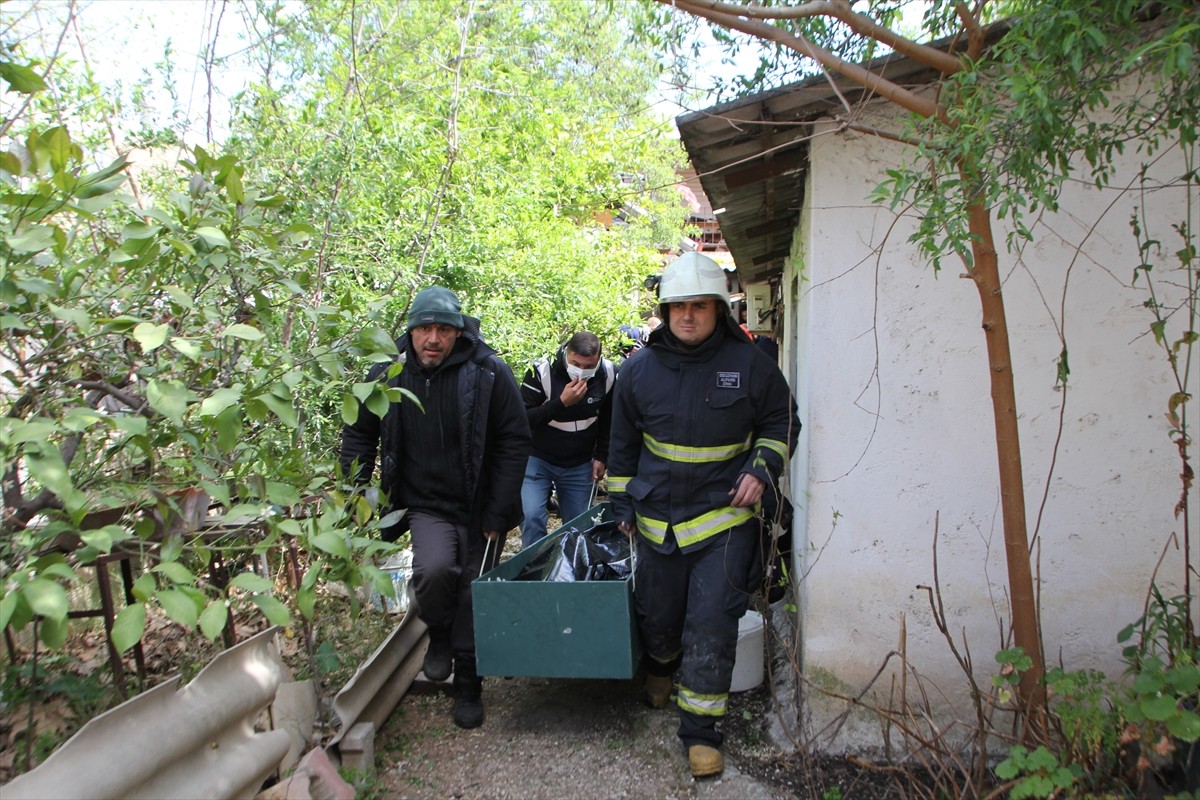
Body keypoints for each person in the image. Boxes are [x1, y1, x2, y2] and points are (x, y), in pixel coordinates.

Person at [607, 252, 799, 778]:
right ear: (664, 312)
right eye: (677, 307)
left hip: (724, 522)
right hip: (657, 523)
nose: (687, 316)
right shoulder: (637, 371)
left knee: (712, 622)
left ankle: (701, 731)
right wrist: (620, 502)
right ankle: (661, 667)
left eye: (698, 306)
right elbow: (621, 446)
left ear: (718, 308)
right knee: (659, 616)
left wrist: (761, 469)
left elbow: (782, 423)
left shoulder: (753, 364)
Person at [339, 286, 530, 729]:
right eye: (425, 328)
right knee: (434, 572)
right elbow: (359, 433)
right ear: (411, 332)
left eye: (444, 329)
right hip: (424, 502)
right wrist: (356, 494)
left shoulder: (487, 372)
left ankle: (468, 681)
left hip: (480, 506)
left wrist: (499, 510)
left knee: (471, 591)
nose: (433, 338)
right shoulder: (387, 373)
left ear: (458, 333)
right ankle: (439, 633)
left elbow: (514, 440)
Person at [518, 331, 615, 549]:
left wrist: (602, 455)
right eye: (576, 363)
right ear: (566, 353)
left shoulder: (608, 374)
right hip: (538, 457)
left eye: (588, 365)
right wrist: (561, 402)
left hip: (580, 461)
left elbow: (610, 417)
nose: (580, 371)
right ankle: (534, 573)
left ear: (598, 359)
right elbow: (521, 419)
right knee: (531, 516)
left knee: (579, 526)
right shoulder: (541, 370)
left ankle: (571, 576)